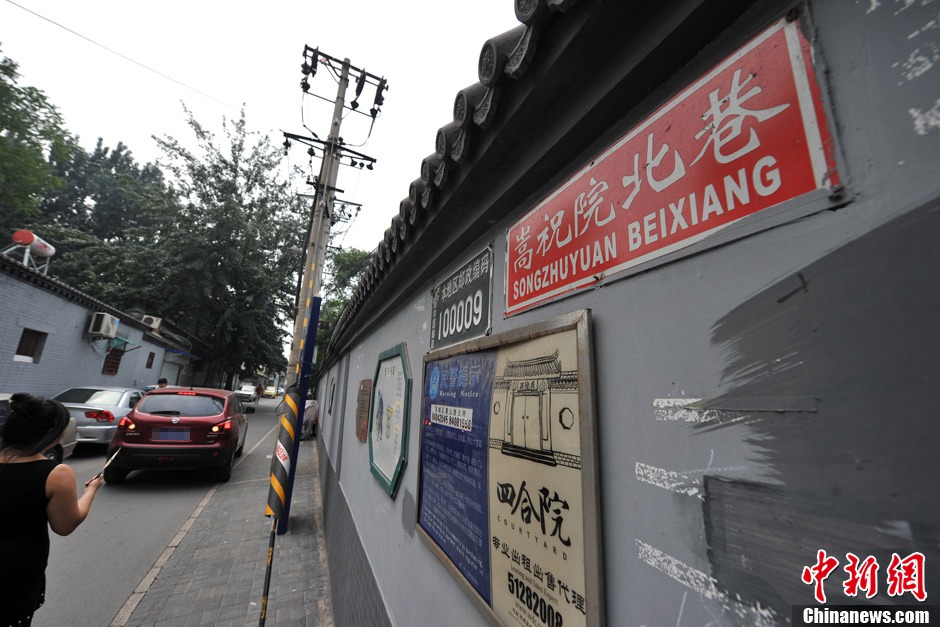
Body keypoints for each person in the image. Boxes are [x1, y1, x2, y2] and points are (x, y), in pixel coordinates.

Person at [0, 393, 104, 626]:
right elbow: (65, 525)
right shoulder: (56, 473)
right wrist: (91, 490)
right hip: (14, 577)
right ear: (53, 433)